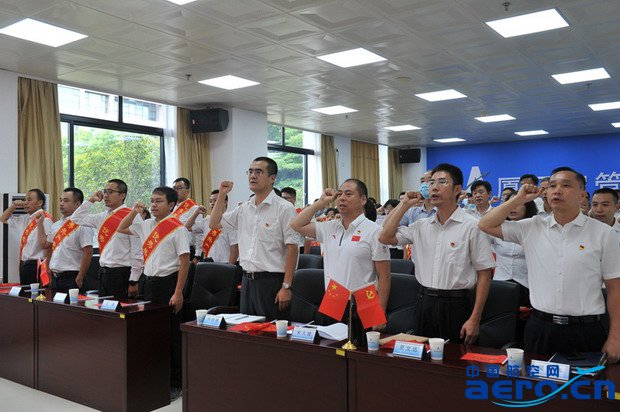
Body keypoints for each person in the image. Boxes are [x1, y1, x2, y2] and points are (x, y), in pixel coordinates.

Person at [479, 167, 620, 360]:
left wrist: (615, 336)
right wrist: (519, 199)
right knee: (535, 379)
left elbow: (615, 289)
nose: (557, 190)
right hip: (540, 327)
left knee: (585, 380)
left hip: (585, 330)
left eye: (566, 185)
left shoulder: (603, 234)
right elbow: (485, 224)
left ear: (582, 195)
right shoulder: (532, 226)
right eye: (552, 186)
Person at [380, 163, 495, 344]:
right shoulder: (421, 226)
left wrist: (475, 318)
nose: (434, 187)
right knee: (423, 355)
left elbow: (484, 273)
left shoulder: (472, 226)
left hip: (456, 305)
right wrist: (404, 205)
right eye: (431, 182)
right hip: (424, 301)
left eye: (442, 182)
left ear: (457, 189)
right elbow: (385, 237)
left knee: (453, 358)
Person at [290, 179, 391, 341]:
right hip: (334, 296)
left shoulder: (374, 231)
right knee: (330, 348)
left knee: (361, 350)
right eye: (340, 194)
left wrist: (381, 311)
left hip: (364, 300)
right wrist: (321, 203)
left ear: (363, 200)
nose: (342, 198)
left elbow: (384, 275)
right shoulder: (330, 227)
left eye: (348, 194)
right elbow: (296, 224)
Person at [117, 186, 190, 401]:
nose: (154, 205)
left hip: (169, 285)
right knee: (152, 333)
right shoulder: (146, 224)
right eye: (152, 201)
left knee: (171, 334)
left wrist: (178, 292)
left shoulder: (178, 228)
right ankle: (157, 378)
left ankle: (177, 382)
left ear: (171, 205)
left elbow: (184, 262)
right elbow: (121, 227)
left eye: (159, 201)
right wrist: (134, 211)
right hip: (148, 284)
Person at [209, 157, 300, 320]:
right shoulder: (244, 208)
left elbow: (293, 248)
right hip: (247, 280)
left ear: (272, 178)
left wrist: (286, 286)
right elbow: (214, 223)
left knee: (270, 331)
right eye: (250, 172)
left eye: (259, 172)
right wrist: (222, 194)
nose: (253, 176)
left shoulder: (284, 208)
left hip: (272, 282)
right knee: (247, 330)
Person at [71, 179, 143, 299]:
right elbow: (75, 219)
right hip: (103, 273)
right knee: (104, 309)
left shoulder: (132, 215)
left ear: (122, 195)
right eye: (104, 191)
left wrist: (134, 280)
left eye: (110, 192)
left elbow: (138, 249)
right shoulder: (102, 216)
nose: (105, 195)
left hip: (122, 273)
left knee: (120, 309)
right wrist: (91, 200)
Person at [36, 188, 93, 293]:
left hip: (73, 277)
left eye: (66, 201)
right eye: (61, 200)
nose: (61, 203)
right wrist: (40, 223)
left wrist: (80, 277)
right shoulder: (56, 225)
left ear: (77, 204)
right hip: (56, 278)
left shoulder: (83, 224)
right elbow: (46, 246)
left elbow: (88, 252)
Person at [491, 191, 538, 307]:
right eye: (510, 204)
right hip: (500, 284)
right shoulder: (496, 228)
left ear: (527, 206)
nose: (513, 208)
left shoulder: (536, 228)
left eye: (517, 204)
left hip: (527, 285)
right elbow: (482, 224)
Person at [0, 189, 53, 285]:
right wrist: (13, 206)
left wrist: (47, 268)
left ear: (40, 203)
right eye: (24, 200)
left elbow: (49, 246)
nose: (25, 203)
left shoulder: (45, 219)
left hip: (38, 265)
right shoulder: (25, 219)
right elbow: (3, 219)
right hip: (25, 264)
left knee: (36, 293)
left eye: (29, 200)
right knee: (25, 293)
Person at [185, 189, 239, 264]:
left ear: (225, 202)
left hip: (225, 263)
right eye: (211, 201)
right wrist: (196, 212)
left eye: (215, 200)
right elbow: (187, 227)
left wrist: (230, 267)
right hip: (208, 262)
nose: (212, 203)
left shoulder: (230, 220)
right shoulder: (207, 220)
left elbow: (235, 247)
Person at [172, 178, 202, 260]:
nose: (176, 191)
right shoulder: (172, 208)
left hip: (187, 249)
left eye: (179, 188)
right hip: (173, 248)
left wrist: (198, 255)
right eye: (174, 188)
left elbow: (199, 232)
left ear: (188, 191)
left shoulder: (194, 208)